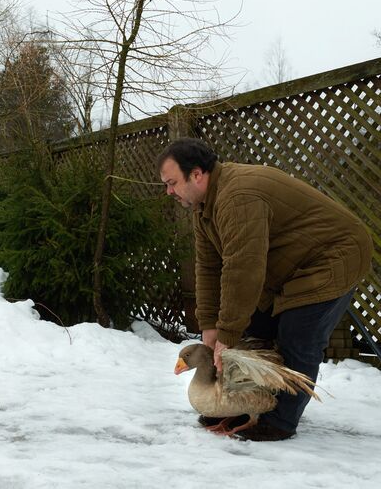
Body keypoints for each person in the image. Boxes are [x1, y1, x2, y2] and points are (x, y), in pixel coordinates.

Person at [157, 137, 373, 441]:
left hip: (332, 258)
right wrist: (210, 327)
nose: (168, 191)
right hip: (289, 267)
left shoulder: (237, 197)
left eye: (171, 182)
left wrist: (227, 334)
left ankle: (279, 421)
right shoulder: (204, 207)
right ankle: (247, 404)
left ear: (196, 175)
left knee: (297, 339)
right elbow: (208, 267)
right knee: (250, 328)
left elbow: (243, 268)